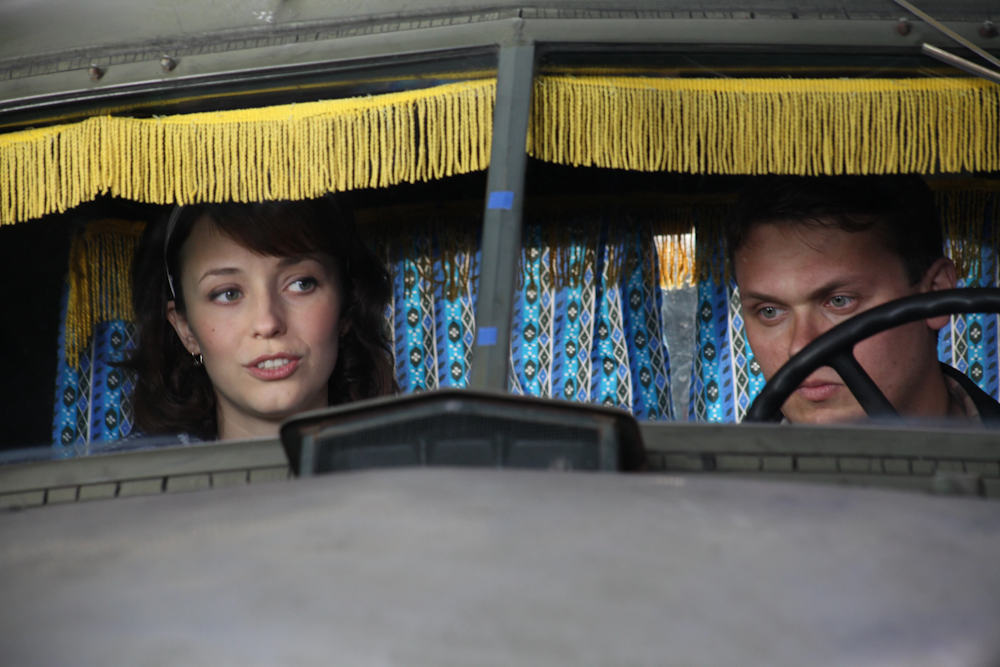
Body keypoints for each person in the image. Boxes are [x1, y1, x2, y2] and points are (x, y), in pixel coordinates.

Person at [727, 175, 1000, 425]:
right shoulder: (717, 464)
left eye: (840, 301)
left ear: (936, 292)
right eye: (770, 311)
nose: (799, 347)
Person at [127, 197, 396, 441]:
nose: (268, 324)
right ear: (186, 329)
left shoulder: (411, 469)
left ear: (346, 306)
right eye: (228, 294)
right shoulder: (125, 480)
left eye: (301, 284)